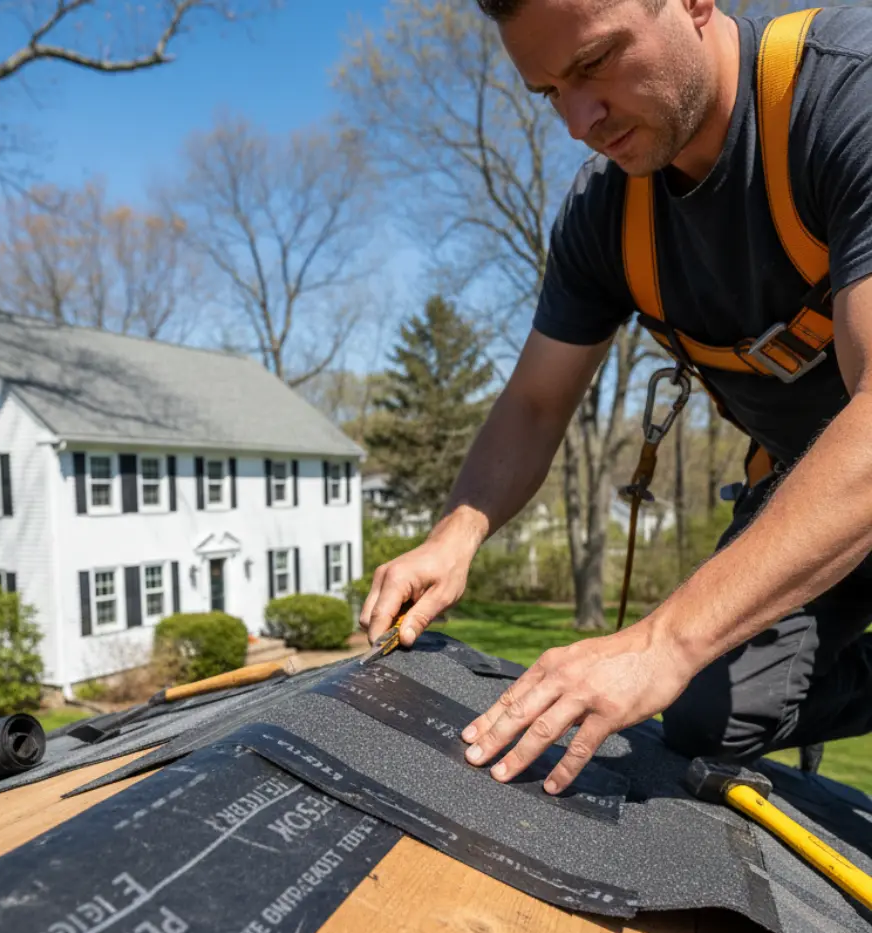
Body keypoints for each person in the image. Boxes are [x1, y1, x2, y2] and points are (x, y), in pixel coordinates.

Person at [360, 0, 872, 794]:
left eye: (595, 64)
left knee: (677, 655)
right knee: (708, 718)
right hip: (799, 491)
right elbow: (535, 402)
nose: (578, 120)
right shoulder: (608, 215)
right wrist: (456, 533)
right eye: (548, 92)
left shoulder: (846, 94)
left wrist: (663, 640)